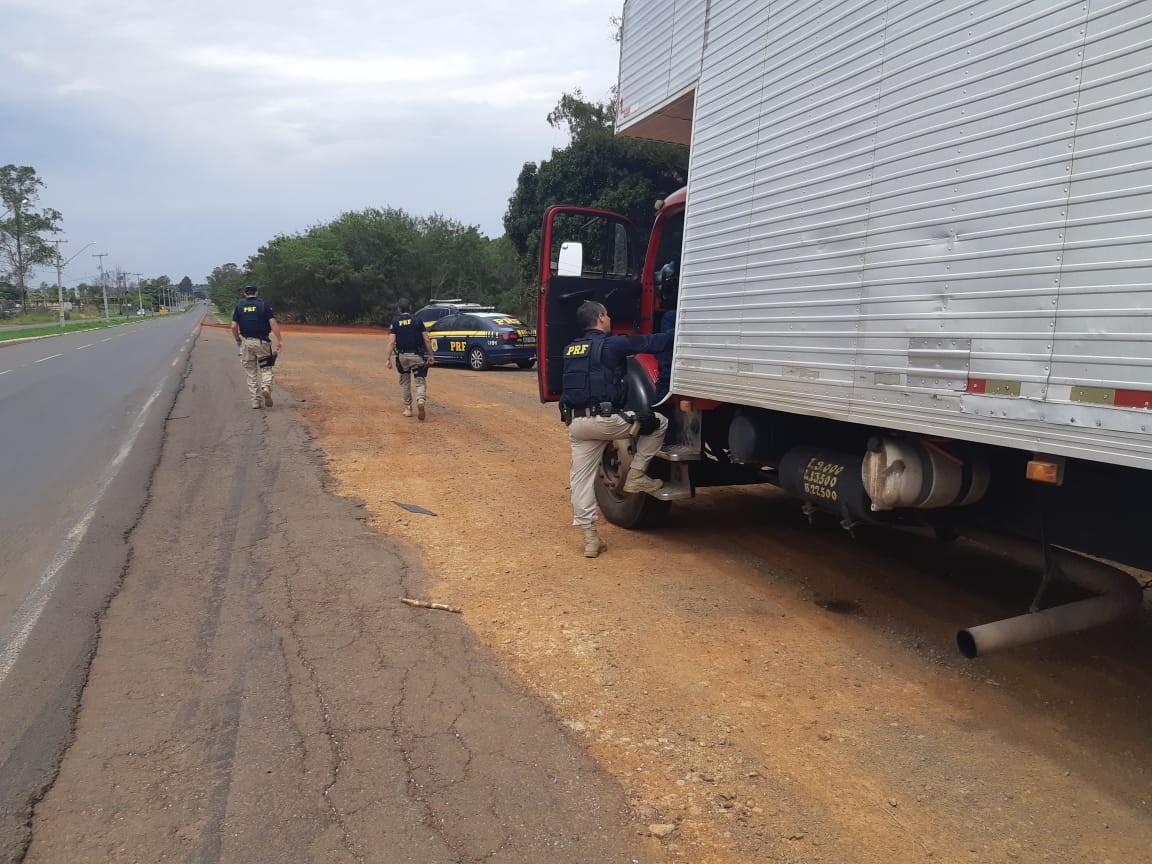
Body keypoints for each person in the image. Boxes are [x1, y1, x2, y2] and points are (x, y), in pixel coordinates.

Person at [560, 300, 673, 558]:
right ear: (601, 317)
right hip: (606, 423)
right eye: (608, 315)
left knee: (580, 481)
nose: (610, 319)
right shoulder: (614, 344)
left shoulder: (570, 349)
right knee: (658, 423)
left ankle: (591, 539)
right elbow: (656, 342)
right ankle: (636, 475)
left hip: (577, 425)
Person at [230, 285, 283, 409]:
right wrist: (280, 340)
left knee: (251, 373)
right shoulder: (263, 305)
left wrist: (238, 339)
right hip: (262, 342)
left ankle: (255, 401)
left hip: (247, 343)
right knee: (266, 368)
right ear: (256, 293)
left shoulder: (239, 307)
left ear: (245, 294)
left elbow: (233, 326)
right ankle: (266, 387)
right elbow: (273, 323)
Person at [384, 300, 436, 420]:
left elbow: (391, 342)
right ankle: (421, 400)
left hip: (402, 357)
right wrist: (431, 355)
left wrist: (388, 358)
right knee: (420, 381)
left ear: (399, 309)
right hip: (416, 355)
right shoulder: (417, 320)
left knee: (405, 383)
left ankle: (408, 408)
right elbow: (426, 339)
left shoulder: (395, 321)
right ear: (410, 307)